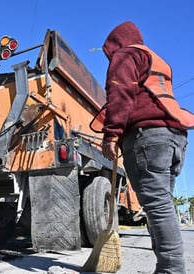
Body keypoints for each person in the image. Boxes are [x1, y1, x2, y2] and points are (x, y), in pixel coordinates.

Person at [95, 21, 194, 274]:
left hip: (147, 138)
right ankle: (166, 267)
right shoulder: (156, 59)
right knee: (161, 205)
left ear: (115, 44)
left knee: (157, 207)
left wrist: (111, 135)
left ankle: (172, 270)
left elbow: (120, 94)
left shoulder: (126, 54)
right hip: (174, 137)